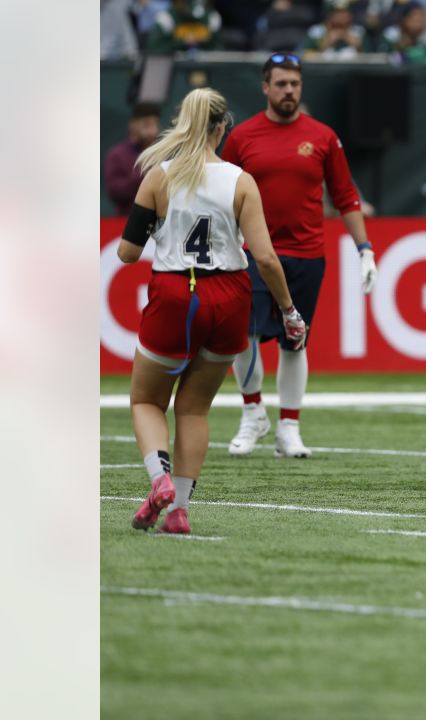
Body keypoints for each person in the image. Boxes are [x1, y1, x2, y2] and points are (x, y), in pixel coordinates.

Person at [122, 87, 305, 535]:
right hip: (229, 293)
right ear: (222, 128)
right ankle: (179, 510)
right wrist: (288, 310)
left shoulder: (159, 176)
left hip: (175, 290)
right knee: (194, 410)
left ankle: (158, 478)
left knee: (147, 399)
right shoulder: (240, 180)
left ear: (181, 122)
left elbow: (127, 252)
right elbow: (265, 258)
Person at [222, 53, 378, 458]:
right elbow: (223, 194)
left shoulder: (323, 136)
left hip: (307, 255)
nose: (288, 90)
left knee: (296, 340)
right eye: (281, 84)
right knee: (246, 335)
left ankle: (288, 428)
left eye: (294, 84)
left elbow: (345, 194)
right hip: (253, 253)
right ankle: (252, 413)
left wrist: (365, 249)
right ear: (265, 87)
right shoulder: (242, 137)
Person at [105, 103, 162, 216]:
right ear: (132, 125)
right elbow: (115, 192)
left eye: (155, 124)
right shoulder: (116, 155)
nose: (152, 130)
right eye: (147, 124)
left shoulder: (161, 154)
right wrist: (145, 169)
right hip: (126, 221)